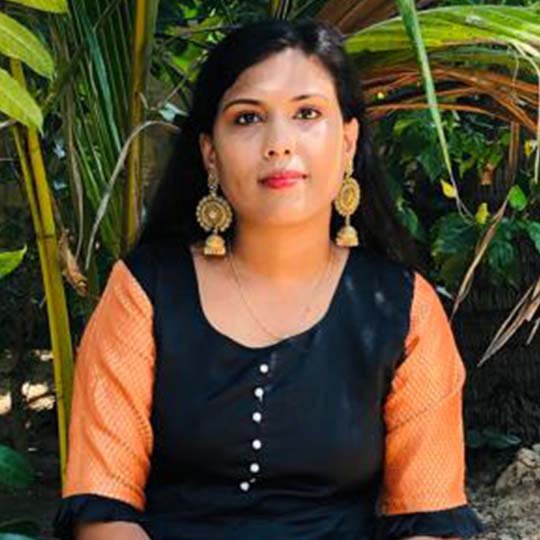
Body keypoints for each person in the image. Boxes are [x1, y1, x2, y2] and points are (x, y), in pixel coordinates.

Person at [52, 18, 485, 540]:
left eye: (307, 113)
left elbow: (429, 520)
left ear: (348, 142)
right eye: (247, 118)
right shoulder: (144, 291)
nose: (279, 143)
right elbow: (104, 511)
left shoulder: (402, 309)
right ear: (210, 152)